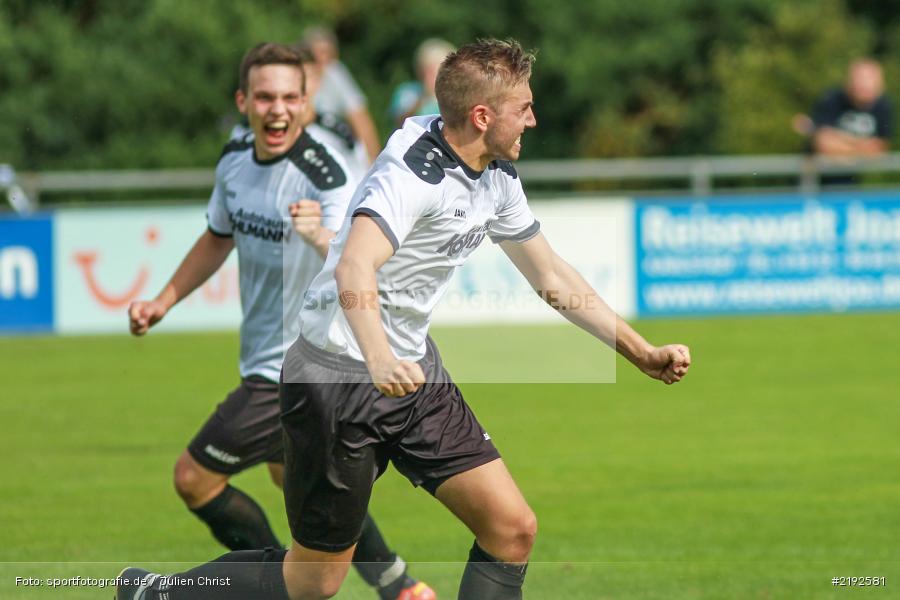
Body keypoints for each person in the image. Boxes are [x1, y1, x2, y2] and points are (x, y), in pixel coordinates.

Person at [117, 38, 691, 600]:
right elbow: (353, 267)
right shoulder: (411, 177)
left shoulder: (495, 175)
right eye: (525, 108)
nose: (534, 120)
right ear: (483, 115)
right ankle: (157, 593)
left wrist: (640, 351)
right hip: (335, 377)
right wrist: (378, 356)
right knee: (315, 580)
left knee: (511, 530)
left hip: (412, 375)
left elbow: (551, 277)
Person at [124, 42, 434, 600]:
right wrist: (163, 300)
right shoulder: (235, 159)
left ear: (307, 102)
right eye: (265, 96)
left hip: (298, 366)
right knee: (300, 486)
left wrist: (320, 237)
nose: (278, 109)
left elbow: (359, 266)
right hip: (267, 361)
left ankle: (277, 586)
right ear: (244, 101)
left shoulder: (328, 175)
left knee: (193, 478)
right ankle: (398, 585)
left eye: (291, 97)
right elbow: (217, 238)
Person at [793, 58, 893, 184]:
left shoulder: (883, 105)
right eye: (860, 84)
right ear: (850, 83)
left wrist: (840, 142)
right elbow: (824, 144)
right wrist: (862, 148)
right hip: (817, 182)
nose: (864, 89)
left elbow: (880, 150)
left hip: (853, 182)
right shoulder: (831, 99)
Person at [302, 26, 381, 164]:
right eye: (315, 54)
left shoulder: (335, 73)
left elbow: (360, 118)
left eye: (326, 53)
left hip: (337, 148)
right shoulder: (297, 73)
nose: (321, 59)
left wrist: (373, 162)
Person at [389, 38, 455, 128]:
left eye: (432, 71)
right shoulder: (407, 91)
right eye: (424, 69)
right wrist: (423, 97)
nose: (427, 75)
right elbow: (399, 123)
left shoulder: (455, 95)